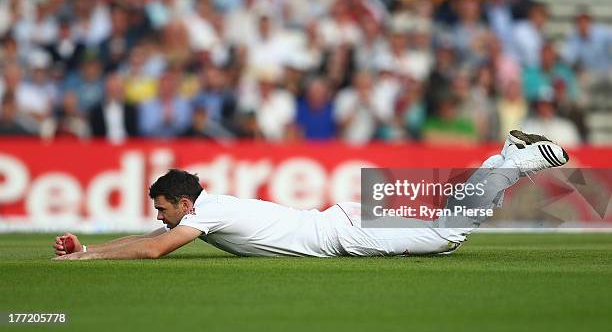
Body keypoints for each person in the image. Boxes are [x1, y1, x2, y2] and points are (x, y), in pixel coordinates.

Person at [53, 129, 569, 260]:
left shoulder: (202, 216)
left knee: (450, 231)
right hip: (341, 220)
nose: (159, 217)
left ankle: (522, 161)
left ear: (184, 203)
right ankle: (502, 158)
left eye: (163, 208)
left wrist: (85, 258)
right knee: (448, 219)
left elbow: (151, 248)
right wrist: (89, 251)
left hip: (345, 232)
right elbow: (148, 237)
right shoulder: (205, 210)